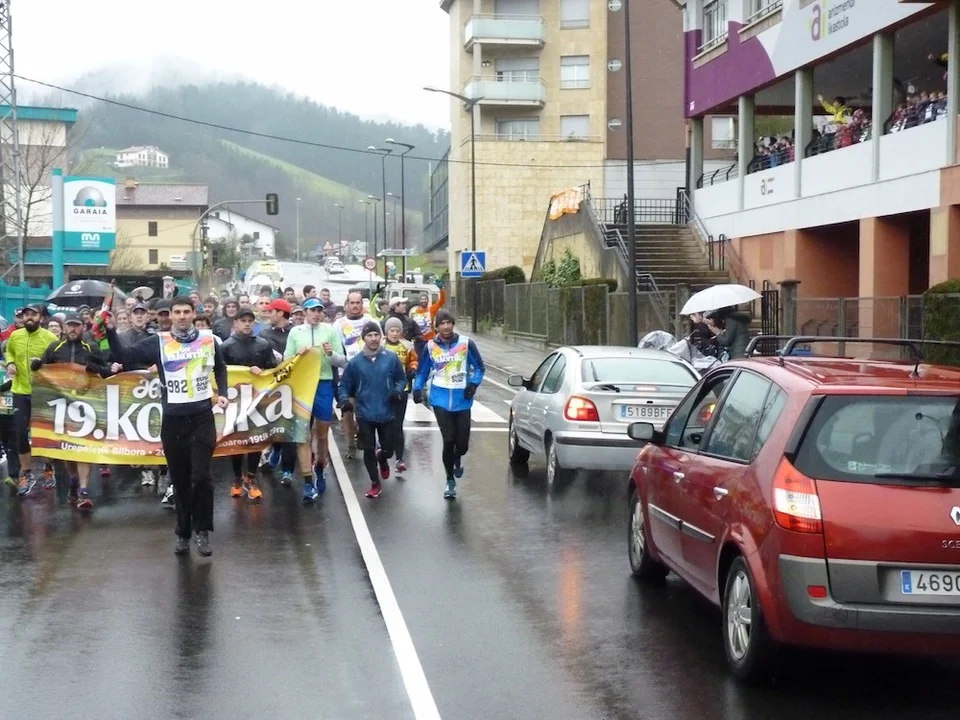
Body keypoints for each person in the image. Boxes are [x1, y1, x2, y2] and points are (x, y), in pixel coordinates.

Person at [106, 297, 229, 557]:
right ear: (170, 316)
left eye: (186, 312)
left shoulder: (208, 340)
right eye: (177, 312)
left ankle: (202, 530)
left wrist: (224, 392)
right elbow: (124, 356)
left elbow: (220, 367)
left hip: (202, 417)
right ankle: (183, 533)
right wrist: (110, 331)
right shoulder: (159, 342)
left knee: (201, 477)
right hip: (173, 420)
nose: (182, 316)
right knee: (181, 480)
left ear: (193, 314)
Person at [31, 313, 115, 510]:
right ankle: (74, 481)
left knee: (83, 448)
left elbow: (106, 372)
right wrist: (36, 366)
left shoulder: (91, 347)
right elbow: (42, 371)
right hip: (61, 406)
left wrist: (96, 368)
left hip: (86, 405)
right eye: (69, 325)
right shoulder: (54, 348)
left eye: (76, 325)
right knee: (68, 450)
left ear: (83, 328)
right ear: (64, 328)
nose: (73, 329)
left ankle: (84, 490)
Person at [413, 310, 485, 499]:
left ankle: (457, 456)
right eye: (442, 323)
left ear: (453, 324)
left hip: (462, 399)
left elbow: (479, 368)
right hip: (440, 398)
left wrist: (473, 383)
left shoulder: (466, 344)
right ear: (436, 326)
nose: (446, 327)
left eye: (449, 323)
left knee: (462, 445)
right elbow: (422, 372)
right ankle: (450, 480)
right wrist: (417, 388)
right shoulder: (430, 347)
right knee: (449, 439)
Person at [284, 297, 345, 501]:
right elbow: (286, 361)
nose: (316, 314)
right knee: (303, 434)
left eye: (319, 310)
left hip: (323, 383)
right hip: (302, 385)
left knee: (322, 433)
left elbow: (342, 361)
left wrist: (331, 353)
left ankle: (320, 466)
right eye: (312, 310)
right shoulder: (295, 332)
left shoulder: (329, 330)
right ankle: (308, 482)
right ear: (305, 313)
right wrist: (297, 355)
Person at [338, 322, 406, 499]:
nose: (373, 339)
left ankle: (382, 457)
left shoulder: (391, 358)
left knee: (389, 450)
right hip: (365, 413)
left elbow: (401, 379)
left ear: (381, 337)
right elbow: (344, 385)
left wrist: (397, 391)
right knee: (368, 449)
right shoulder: (355, 362)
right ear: (364, 339)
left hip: (386, 411)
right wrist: (344, 400)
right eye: (369, 335)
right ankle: (375, 483)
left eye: (376, 335)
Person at [219, 307, 275, 501]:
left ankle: (251, 477)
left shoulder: (263, 344)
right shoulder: (226, 346)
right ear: (236, 323)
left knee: (256, 438)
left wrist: (263, 371)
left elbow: (274, 370)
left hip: (257, 400)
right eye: (243, 320)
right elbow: (219, 372)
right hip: (235, 401)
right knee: (235, 439)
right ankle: (236, 477)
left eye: (250, 320)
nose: (247, 324)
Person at [4, 304, 58, 496]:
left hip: (42, 392)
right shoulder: (15, 336)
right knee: (20, 433)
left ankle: (48, 468)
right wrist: (10, 363)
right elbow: (9, 352)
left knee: (44, 434)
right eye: (26, 314)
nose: (29, 318)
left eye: (33, 314)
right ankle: (26, 473)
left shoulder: (50, 338)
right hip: (20, 391)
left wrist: (42, 365)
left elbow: (58, 362)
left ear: (41, 318)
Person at [333, 291, 378, 458]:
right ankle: (350, 444)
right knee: (348, 411)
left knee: (366, 410)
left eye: (358, 302)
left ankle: (363, 434)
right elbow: (337, 350)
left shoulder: (371, 321)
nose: (355, 306)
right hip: (348, 373)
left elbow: (380, 343)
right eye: (352, 303)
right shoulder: (338, 324)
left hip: (369, 373)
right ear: (346, 305)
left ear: (362, 304)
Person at [381, 317, 418, 474]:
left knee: (398, 425)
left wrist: (413, 369)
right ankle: (382, 452)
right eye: (392, 331)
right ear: (386, 332)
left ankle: (399, 459)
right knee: (384, 424)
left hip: (402, 389)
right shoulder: (380, 346)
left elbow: (414, 361)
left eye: (397, 331)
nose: (395, 334)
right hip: (383, 390)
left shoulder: (407, 346)